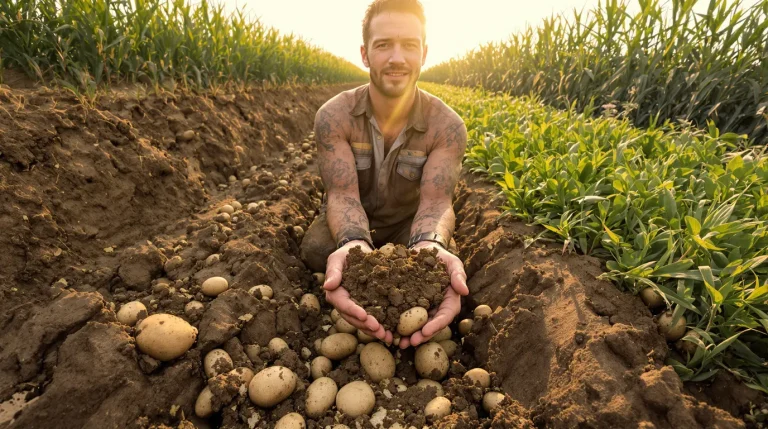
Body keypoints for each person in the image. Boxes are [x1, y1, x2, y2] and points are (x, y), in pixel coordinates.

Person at [299, 0, 468, 349]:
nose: (397, 58)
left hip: (409, 224)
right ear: (365, 54)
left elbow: (436, 202)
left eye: (409, 45)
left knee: (438, 266)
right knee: (316, 248)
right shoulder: (334, 116)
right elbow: (342, 194)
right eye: (383, 45)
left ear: (424, 53)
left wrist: (429, 245)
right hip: (353, 217)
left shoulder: (447, 126)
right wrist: (353, 245)